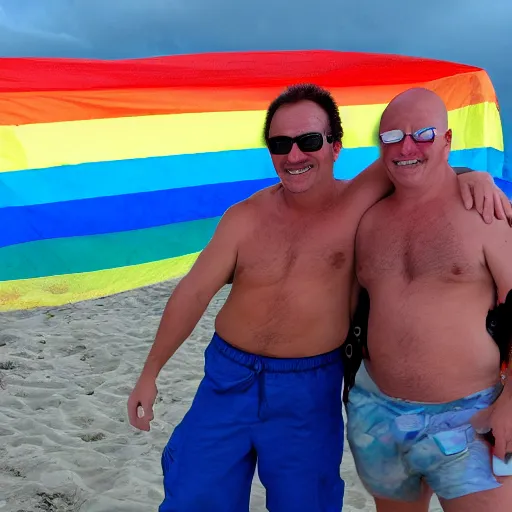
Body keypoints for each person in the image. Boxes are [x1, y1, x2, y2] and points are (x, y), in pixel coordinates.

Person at [127, 83, 511, 512]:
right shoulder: (245, 217)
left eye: (309, 141)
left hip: (310, 387)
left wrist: (472, 176)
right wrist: (151, 371)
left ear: (335, 147)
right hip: (228, 378)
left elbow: (419, 160)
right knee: (195, 497)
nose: (294, 156)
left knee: (306, 502)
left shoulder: (359, 202)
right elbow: (194, 290)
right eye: (280, 144)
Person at [346, 87, 512, 512]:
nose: (406, 146)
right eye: (392, 137)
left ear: (447, 140)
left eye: (422, 133)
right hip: (377, 414)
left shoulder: (485, 213)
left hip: (473, 418)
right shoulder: (367, 221)